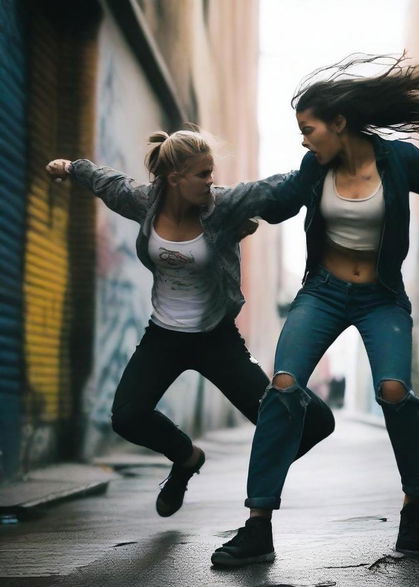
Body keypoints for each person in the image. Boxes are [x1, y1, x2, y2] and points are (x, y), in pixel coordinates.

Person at [211, 54, 419, 566]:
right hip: (323, 292)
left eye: (309, 129)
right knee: (283, 388)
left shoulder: (399, 160)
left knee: (395, 392)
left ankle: (414, 504)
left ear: (339, 123)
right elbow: (280, 202)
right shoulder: (315, 168)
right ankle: (258, 526)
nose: (304, 140)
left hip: (381, 297)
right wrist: (226, 209)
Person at [45, 128, 335, 519]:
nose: (210, 180)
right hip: (163, 335)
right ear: (175, 178)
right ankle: (186, 458)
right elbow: (109, 183)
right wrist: (71, 167)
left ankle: (266, 472)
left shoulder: (224, 205)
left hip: (217, 338)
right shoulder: (146, 202)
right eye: (202, 174)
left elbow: (277, 189)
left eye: (211, 171)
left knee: (309, 421)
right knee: (127, 416)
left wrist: (318, 158)